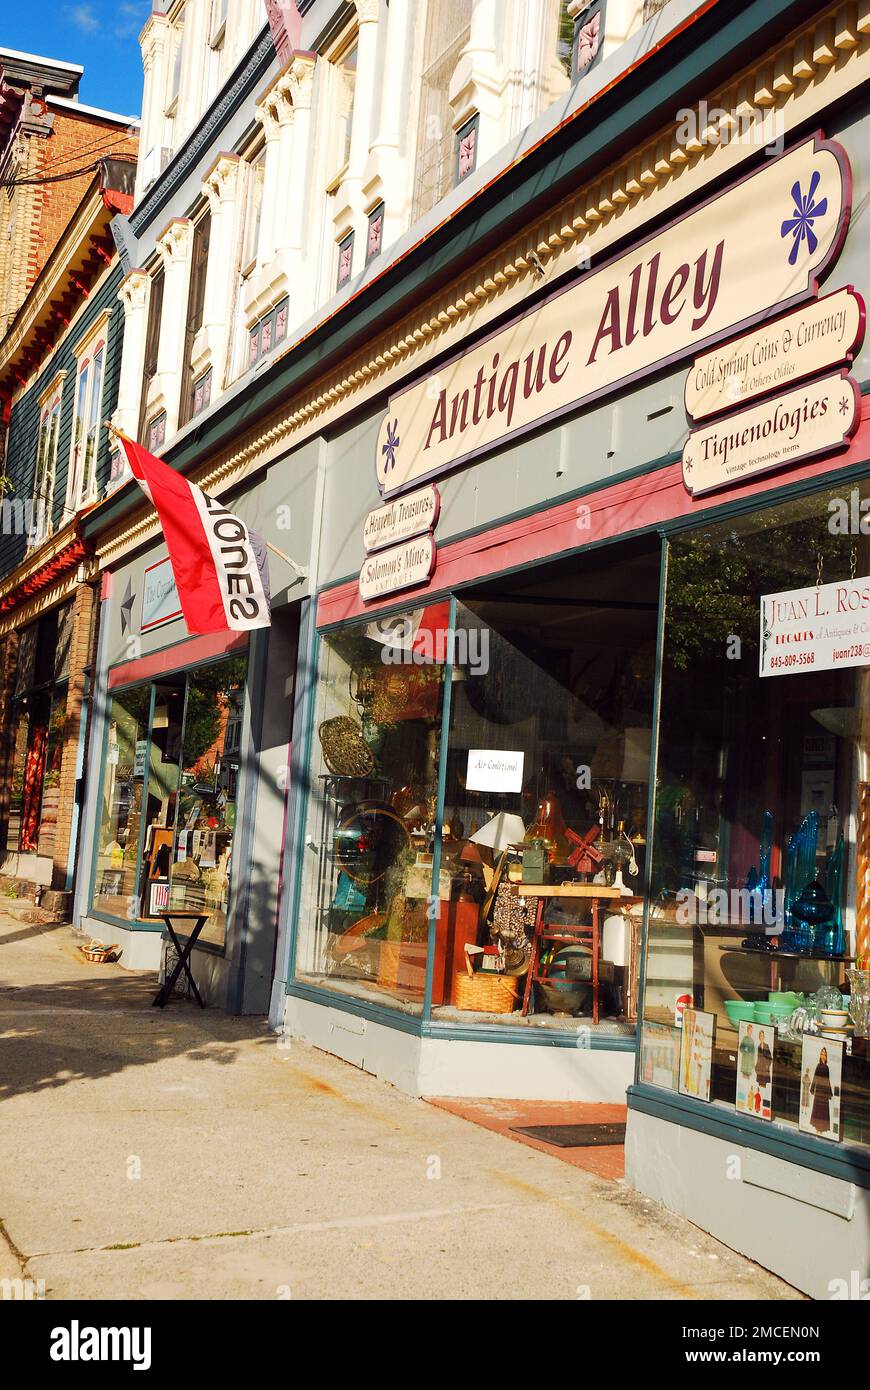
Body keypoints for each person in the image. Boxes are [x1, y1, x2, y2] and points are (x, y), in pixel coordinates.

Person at [809, 1047, 833, 1135]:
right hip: (819, 1090)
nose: (823, 1056)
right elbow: (815, 1078)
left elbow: (828, 1080)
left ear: (826, 1056)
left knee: (823, 1110)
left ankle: (822, 1129)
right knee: (818, 1109)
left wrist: (830, 1092)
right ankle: (818, 1129)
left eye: (824, 1054)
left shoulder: (827, 1067)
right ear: (820, 1055)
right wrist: (812, 1088)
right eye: (822, 1054)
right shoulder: (818, 1066)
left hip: (825, 1091)